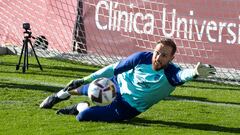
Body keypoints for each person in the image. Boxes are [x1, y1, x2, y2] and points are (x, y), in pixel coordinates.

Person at [40, 38, 216, 122]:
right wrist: (84, 78)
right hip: (118, 83)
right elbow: (112, 69)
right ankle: (60, 95)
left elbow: (181, 76)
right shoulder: (141, 57)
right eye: (157, 52)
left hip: (128, 106)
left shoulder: (171, 73)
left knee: (83, 116)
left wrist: (194, 72)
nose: (158, 57)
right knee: (87, 87)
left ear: (171, 58)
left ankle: (79, 106)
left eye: (164, 55)